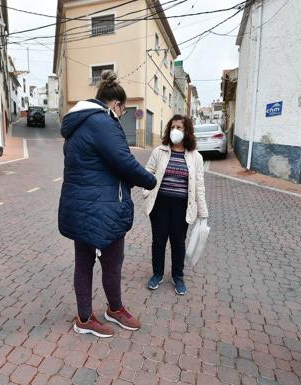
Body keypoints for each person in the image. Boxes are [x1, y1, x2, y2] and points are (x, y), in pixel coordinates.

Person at [58, 71, 157, 338]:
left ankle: (84, 316)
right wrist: (150, 180)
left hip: (81, 207)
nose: (122, 116)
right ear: (116, 105)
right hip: (103, 209)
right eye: (123, 111)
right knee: (112, 262)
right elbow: (124, 161)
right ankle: (112, 310)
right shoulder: (102, 122)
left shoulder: (77, 124)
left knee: (84, 262)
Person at [143, 115, 208, 295]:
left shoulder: (196, 157)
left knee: (178, 242)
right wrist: (146, 192)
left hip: (182, 206)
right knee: (158, 241)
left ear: (187, 131)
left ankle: (177, 276)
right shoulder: (159, 151)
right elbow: (147, 172)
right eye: (172, 127)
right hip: (160, 204)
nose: (175, 131)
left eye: (179, 127)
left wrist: (203, 212)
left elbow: (199, 186)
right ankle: (157, 274)